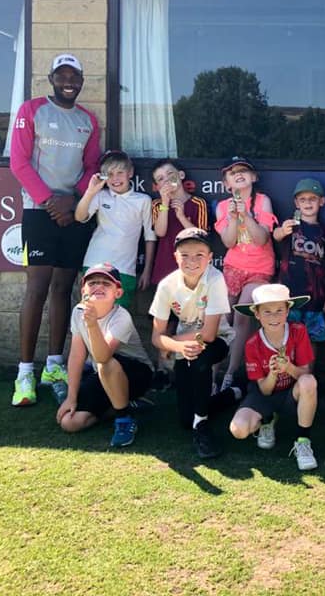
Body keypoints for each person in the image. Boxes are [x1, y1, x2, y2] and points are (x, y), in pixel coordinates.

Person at [9, 53, 100, 407]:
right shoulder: (32, 110)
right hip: (39, 211)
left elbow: (92, 166)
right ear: (51, 79)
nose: (68, 82)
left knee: (63, 288)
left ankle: (53, 365)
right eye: (62, 76)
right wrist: (51, 202)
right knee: (37, 289)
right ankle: (24, 373)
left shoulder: (88, 120)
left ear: (81, 81)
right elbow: (19, 163)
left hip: (74, 212)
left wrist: (73, 200)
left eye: (74, 76)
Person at [149, 228, 240, 459]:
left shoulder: (215, 279)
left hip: (218, 340)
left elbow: (208, 334)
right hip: (184, 344)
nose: (192, 261)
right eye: (185, 255)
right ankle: (232, 395)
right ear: (175, 257)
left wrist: (170, 343)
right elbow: (156, 337)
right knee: (185, 419)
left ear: (210, 257)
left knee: (200, 359)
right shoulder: (167, 285)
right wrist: (176, 346)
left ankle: (202, 428)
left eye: (199, 255)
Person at [55, 264, 154, 447]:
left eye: (106, 283)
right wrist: (71, 397)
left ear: (118, 293)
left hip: (136, 373)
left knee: (105, 363)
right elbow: (76, 356)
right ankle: (125, 405)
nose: (98, 286)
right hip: (102, 374)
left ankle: (124, 418)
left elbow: (103, 356)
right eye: (92, 283)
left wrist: (92, 324)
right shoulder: (78, 312)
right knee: (70, 422)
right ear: (83, 290)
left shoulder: (121, 316)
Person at [229, 284, 319, 471]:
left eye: (279, 310)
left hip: (291, 393)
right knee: (238, 430)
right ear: (257, 314)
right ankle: (267, 420)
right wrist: (273, 373)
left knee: (309, 382)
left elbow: (306, 373)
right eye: (267, 312)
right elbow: (264, 390)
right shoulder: (252, 343)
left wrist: (288, 367)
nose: (274, 317)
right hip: (264, 395)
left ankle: (303, 441)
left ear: (288, 311)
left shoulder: (298, 331)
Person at [214, 157, 277, 391]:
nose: (238, 174)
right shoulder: (222, 206)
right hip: (233, 267)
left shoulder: (262, 201)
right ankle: (212, 375)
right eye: (232, 173)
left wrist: (246, 215)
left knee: (242, 316)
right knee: (223, 318)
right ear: (226, 183)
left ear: (253, 177)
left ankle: (230, 374)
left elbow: (261, 239)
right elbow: (229, 242)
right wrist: (233, 217)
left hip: (259, 269)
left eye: (243, 170)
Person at [75, 150, 155, 308]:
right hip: (94, 263)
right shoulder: (100, 196)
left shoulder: (143, 200)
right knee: (91, 312)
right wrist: (90, 192)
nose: (115, 179)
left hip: (124, 268)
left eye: (120, 173)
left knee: (118, 314)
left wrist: (147, 270)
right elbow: (79, 216)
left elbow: (150, 237)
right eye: (110, 174)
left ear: (130, 173)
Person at [272, 177, 325, 352]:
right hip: (289, 296)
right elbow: (276, 235)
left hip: (316, 297)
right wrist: (282, 230)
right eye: (303, 199)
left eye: (312, 199)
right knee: (286, 339)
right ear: (296, 203)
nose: (308, 203)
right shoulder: (291, 225)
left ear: (322, 201)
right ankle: (287, 370)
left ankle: (308, 369)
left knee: (311, 341)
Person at [149, 158, 209, 286]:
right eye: (160, 179)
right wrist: (165, 203)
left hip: (192, 268)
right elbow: (160, 232)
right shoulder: (157, 204)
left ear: (181, 175)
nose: (166, 180)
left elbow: (201, 236)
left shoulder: (198, 203)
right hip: (165, 268)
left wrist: (181, 217)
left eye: (170, 174)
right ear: (157, 186)